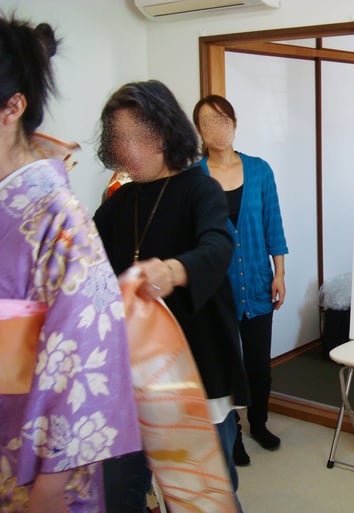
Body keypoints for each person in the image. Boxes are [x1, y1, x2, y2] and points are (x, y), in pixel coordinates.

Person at [0, 16, 140, 512]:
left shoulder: (58, 218)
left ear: (13, 107)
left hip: (27, 453)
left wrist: (53, 479)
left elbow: (88, 344)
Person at [93, 81, 247, 512]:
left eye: (136, 137)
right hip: (132, 370)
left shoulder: (200, 189)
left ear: (163, 133)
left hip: (196, 366)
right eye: (118, 139)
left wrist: (174, 271)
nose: (126, 150)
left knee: (206, 495)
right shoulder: (119, 203)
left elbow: (218, 245)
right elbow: (84, 259)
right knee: (119, 489)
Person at [192, 94, 288, 464]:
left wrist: (279, 273)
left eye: (223, 120)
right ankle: (232, 436)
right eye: (208, 122)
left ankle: (258, 423)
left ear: (234, 124)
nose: (218, 129)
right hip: (215, 290)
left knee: (259, 365)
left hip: (260, 282)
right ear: (199, 131)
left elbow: (273, 224)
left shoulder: (260, 170)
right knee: (225, 365)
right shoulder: (193, 178)